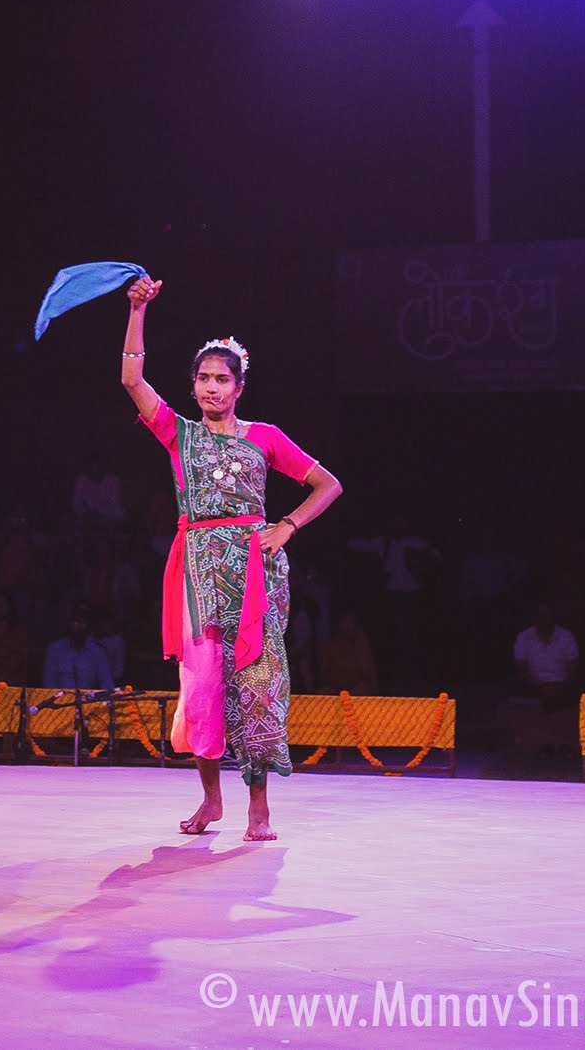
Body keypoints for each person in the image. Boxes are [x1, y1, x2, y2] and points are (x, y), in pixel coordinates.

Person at [121, 277, 343, 842]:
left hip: (254, 573)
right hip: (197, 571)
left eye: (222, 378)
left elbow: (327, 485)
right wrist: (137, 311)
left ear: (240, 386)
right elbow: (131, 379)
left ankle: (259, 810)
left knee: (257, 684)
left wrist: (287, 526)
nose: (211, 387)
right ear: (193, 385)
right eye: (203, 378)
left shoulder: (264, 436)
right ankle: (210, 801)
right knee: (202, 690)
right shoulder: (180, 435)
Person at [42, 607, 116, 692]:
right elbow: (49, 683)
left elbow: (106, 681)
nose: (77, 626)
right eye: (75, 622)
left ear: (89, 626)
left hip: (86, 700)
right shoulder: (54, 649)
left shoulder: (98, 652)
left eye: (82, 622)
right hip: (58, 700)